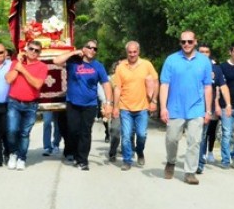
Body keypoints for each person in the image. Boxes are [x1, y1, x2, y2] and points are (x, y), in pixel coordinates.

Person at [158, 31, 212, 185]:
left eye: (189, 41)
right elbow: (164, 85)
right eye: (183, 42)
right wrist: (163, 107)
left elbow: (208, 87)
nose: (186, 44)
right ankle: (171, 162)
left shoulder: (204, 61)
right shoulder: (171, 60)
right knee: (172, 139)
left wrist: (208, 110)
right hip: (175, 108)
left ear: (195, 42)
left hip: (196, 108)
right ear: (180, 43)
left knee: (194, 141)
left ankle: (190, 172)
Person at [52, 40, 113, 171]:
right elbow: (56, 61)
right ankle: (73, 152)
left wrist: (108, 103)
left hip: (90, 105)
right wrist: (74, 52)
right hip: (73, 103)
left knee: (85, 132)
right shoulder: (73, 62)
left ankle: (82, 160)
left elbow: (106, 84)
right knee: (73, 131)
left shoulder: (98, 66)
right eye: (89, 47)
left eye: (95, 49)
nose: (92, 50)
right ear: (83, 49)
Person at [112, 41, 158, 171]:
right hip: (125, 107)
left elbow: (155, 82)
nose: (132, 54)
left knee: (141, 135)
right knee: (126, 136)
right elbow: (117, 89)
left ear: (138, 52)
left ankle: (140, 151)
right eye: (130, 52)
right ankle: (127, 160)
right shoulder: (121, 67)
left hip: (142, 107)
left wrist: (154, 101)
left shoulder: (147, 65)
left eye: (134, 52)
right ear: (126, 53)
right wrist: (115, 107)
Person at [5, 41, 49, 170]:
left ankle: (21, 158)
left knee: (24, 133)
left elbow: (37, 84)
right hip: (14, 102)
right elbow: (8, 79)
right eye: (31, 49)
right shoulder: (15, 63)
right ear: (26, 49)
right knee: (12, 130)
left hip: (31, 105)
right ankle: (13, 153)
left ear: (40, 53)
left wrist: (23, 70)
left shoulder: (42, 67)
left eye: (37, 50)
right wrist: (18, 66)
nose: (33, 52)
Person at [196, 43, 231, 174]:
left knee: (203, 135)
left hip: (207, 109)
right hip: (192, 108)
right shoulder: (191, 66)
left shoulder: (216, 69)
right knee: (195, 137)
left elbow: (223, 87)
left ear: (209, 54)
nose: (204, 54)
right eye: (201, 52)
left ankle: (199, 163)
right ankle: (197, 159)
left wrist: (228, 104)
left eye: (206, 52)